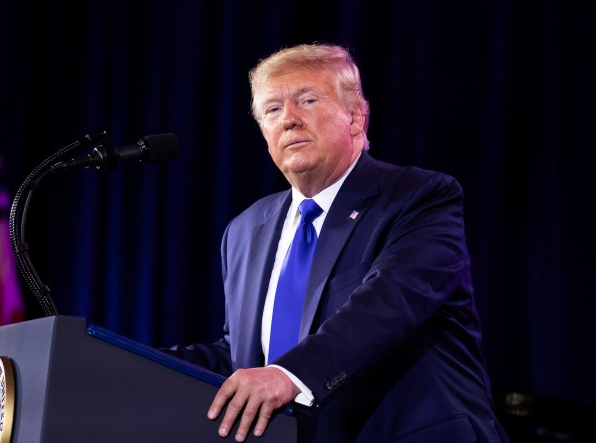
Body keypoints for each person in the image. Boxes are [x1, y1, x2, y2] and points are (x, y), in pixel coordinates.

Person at [163, 43, 509, 442]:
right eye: (272, 110)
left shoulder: (419, 198)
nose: (288, 119)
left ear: (356, 117)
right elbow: (243, 357)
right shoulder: (244, 230)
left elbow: (389, 302)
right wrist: (127, 364)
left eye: (307, 100)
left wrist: (287, 375)